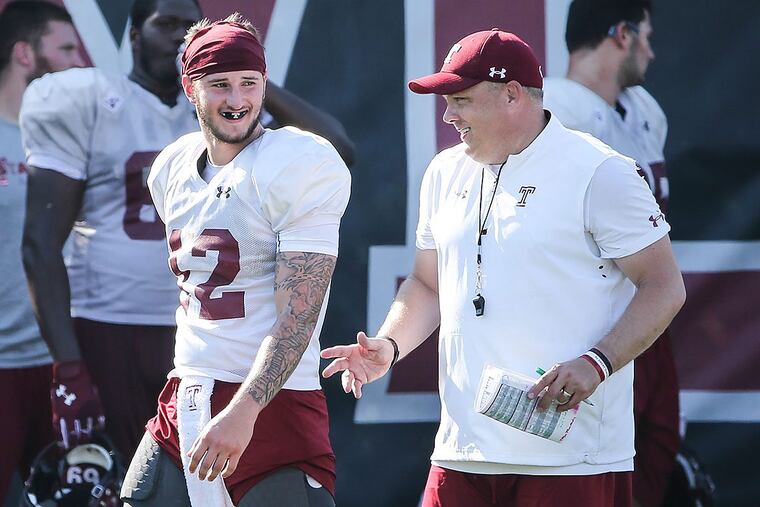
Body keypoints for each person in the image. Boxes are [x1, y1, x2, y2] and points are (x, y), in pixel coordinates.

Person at [322, 29, 685, 507]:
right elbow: (428, 284)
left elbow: (664, 286)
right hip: (460, 453)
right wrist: (389, 346)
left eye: (462, 100)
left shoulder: (602, 172)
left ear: (513, 94)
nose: (449, 116)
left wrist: (597, 363)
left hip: (571, 460)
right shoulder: (444, 171)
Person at [120, 14, 349, 507]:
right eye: (219, 85)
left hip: (271, 403)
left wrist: (245, 410)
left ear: (264, 84)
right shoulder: (172, 167)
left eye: (249, 84)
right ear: (190, 88)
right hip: (187, 393)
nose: (237, 99)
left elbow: (298, 315)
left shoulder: (299, 162)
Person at [20, 0, 204, 464]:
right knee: (114, 478)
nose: (181, 38)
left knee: (195, 481)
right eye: (167, 25)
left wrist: (236, 67)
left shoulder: (218, 112)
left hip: (198, 331)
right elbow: (40, 244)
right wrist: (70, 365)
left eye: (192, 28)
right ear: (136, 36)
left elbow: (336, 148)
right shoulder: (90, 100)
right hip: (107, 327)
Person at [542, 2, 680, 505]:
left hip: (645, 306)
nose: (651, 48)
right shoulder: (555, 111)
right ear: (620, 34)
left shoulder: (643, 111)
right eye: (644, 34)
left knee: (655, 447)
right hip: (586, 320)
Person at [0, 1, 83, 502]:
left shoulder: (75, 141)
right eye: (67, 48)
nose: (80, 62)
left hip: (65, 368)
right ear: (26, 54)